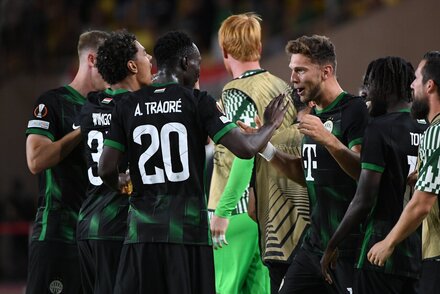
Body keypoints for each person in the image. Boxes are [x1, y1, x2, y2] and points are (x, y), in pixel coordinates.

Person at [97, 31, 288, 294]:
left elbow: (106, 168)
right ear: (186, 63)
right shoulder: (197, 102)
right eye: (197, 62)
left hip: (141, 234)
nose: (199, 69)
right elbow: (245, 149)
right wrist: (270, 125)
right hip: (187, 233)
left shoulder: (127, 104)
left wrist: (123, 185)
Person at [251, 35, 369, 293]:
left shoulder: (355, 109)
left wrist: (329, 140)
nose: (292, 78)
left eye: (300, 70)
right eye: (292, 70)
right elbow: (306, 172)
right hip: (314, 244)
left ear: (326, 71)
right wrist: (265, 148)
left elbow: (364, 173)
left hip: (348, 247)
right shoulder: (314, 115)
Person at [208, 13, 308, 294]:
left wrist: (223, 211)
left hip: (236, 211)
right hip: (271, 214)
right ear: (259, 48)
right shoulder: (283, 87)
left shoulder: (235, 91)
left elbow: (246, 150)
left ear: (224, 51)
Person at [320, 56, 427, 293]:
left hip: (380, 254)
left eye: (368, 83)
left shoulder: (378, 129)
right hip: (421, 254)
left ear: (385, 86)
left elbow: (363, 198)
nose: (364, 92)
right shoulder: (428, 130)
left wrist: (332, 244)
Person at [25, 30, 109, 294]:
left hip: (98, 238)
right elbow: (36, 160)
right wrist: (83, 129)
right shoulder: (52, 103)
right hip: (59, 237)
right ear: (92, 60)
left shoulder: (110, 107)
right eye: (109, 63)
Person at [76, 30, 153, 294]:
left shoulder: (91, 105)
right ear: (132, 65)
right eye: (144, 53)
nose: (150, 57)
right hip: (118, 223)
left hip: (88, 222)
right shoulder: (136, 108)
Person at [367, 51, 440, 294]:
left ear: (430, 86)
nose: (411, 84)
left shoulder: (434, 133)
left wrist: (388, 242)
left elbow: (421, 205)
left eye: (417, 78)